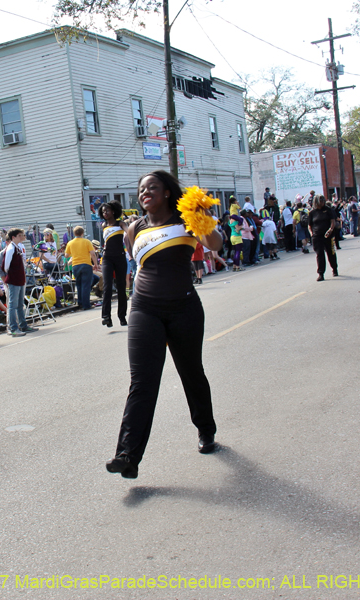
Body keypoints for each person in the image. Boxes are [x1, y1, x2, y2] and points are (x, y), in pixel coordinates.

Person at [106, 170, 222, 480]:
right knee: (142, 382)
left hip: (184, 308)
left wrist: (202, 217)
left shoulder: (187, 218)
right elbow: (139, 263)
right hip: (145, 309)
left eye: (152, 187)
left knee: (191, 372)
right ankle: (127, 455)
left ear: (167, 192)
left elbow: (215, 244)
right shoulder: (133, 229)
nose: (144, 193)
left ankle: (205, 429)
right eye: (141, 189)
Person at [2, 228, 38, 337]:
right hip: (14, 279)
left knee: (20, 303)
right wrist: (12, 275)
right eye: (19, 235)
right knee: (13, 304)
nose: (22, 236)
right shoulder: (10, 248)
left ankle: (23, 324)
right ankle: (13, 327)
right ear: (13, 237)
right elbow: (6, 265)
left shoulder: (18, 247)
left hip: (20, 278)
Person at [99, 201, 129, 327]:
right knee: (107, 287)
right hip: (107, 258)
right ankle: (106, 316)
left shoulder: (120, 223)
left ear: (114, 211)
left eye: (108, 211)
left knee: (121, 287)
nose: (105, 213)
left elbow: (129, 233)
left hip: (120, 257)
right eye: (103, 211)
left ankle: (122, 316)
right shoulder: (103, 225)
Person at [64, 226, 98, 311]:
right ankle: (86, 305)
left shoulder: (70, 243)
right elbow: (93, 254)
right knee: (86, 285)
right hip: (86, 264)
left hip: (75, 265)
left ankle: (80, 303)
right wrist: (96, 264)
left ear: (74, 233)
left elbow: (66, 255)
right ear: (82, 233)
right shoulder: (87, 241)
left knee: (78, 285)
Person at [308, 195, 339, 281]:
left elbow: (332, 221)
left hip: (328, 235)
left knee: (331, 252)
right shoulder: (312, 212)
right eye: (320, 200)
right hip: (317, 236)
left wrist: (330, 229)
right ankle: (321, 273)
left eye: (323, 200)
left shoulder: (328, 210)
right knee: (319, 254)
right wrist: (311, 233)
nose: (322, 202)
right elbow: (309, 225)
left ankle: (334, 268)